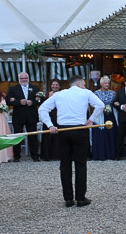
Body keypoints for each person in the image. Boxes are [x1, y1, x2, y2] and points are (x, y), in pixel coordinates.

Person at [39, 75, 105, 208]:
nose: (85, 86)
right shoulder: (86, 93)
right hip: (79, 130)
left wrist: (50, 125)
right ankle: (80, 198)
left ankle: (68, 199)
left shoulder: (59, 94)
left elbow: (42, 109)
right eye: (84, 84)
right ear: (79, 84)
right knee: (80, 164)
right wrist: (91, 120)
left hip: (63, 130)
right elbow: (100, 105)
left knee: (65, 164)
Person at [6, 72, 41, 162]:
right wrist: (19, 102)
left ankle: (35, 156)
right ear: (19, 79)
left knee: (33, 136)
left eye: (25, 78)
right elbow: (8, 101)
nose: (24, 80)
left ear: (28, 78)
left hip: (31, 116)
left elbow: (41, 100)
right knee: (17, 136)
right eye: (22, 78)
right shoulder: (13, 88)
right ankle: (16, 156)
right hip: (18, 116)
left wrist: (32, 102)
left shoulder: (35, 88)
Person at [92, 76, 116, 161]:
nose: (107, 85)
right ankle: (101, 154)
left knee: (111, 133)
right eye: (105, 83)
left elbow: (115, 102)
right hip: (100, 116)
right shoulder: (96, 93)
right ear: (101, 84)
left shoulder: (113, 93)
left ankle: (111, 154)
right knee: (101, 134)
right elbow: (93, 104)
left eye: (108, 83)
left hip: (110, 115)